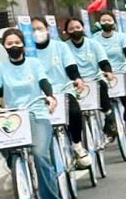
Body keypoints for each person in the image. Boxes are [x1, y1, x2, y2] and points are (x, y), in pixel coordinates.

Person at [0, 28, 67, 199]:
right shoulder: (0, 68)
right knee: (1, 141)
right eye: (9, 43)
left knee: (40, 154)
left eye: (17, 42)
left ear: (23, 44)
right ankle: (17, 170)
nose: (14, 46)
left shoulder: (34, 63)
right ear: (4, 46)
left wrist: (50, 96)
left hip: (37, 113)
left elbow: (44, 82)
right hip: (13, 117)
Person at [32, 16, 90, 167]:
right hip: (39, 97)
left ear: (47, 29)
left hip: (63, 90)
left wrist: (77, 78)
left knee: (75, 112)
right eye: (32, 30)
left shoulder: (60, 47)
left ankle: (77, 145)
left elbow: (71, 68)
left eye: (39, 29)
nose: (36, 32)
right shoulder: (28, 53)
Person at [62, 16, 120, 145]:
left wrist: (108, 72)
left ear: (83, 28)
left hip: (94, 79)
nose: (75, 30)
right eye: (71, 29)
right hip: (75, 83)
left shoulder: (94, 44)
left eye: (78, 27)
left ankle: (108, 116)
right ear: (66, 31)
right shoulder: (64, 47)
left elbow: (103, 61)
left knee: (102, 86)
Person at [93, 10, 126, 136]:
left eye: (109, 20)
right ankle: (109, 127)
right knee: (102, 100)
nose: (106, 22)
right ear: (99, 23)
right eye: (103, 20)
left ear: (114, 23)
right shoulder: (94, 40)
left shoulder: (122, 37)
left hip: (123, 70)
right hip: (104, 74)